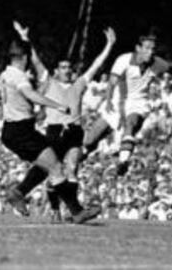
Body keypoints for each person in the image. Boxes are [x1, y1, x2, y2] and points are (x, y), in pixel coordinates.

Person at [0, 24, 100, 224]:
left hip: (15, 130)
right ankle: (77, 212)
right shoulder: (19, 76)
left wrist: (24, 38)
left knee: (49, 166)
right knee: (56, 168)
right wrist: (56, 105)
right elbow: (30, 94)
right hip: (21, 132)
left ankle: (18, 192)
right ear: (24, 58)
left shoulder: (6, 74)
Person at [82, 30, 172, 176]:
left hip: (138, 103)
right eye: (147, 48)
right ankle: (80, 157)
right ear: (138, 48)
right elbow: (112, 82)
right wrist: (109, 100)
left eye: (153, 49)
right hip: (116, 102)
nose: (150, 52)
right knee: (89, 141)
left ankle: (123, 162)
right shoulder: (124, 60)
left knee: (131, 123)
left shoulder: (157, 63)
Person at [29, 26, 117, 221]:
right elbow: (36, 61)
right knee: (55, 172)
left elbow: (95, 65)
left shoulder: (79, 84)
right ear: (56, 71)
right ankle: (54, 209)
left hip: (74, 131)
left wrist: (109, 45)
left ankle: (74, 210)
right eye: (63, 68)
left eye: (69, 68)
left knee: (72, 167)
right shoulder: (50, 83)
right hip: (54, 132)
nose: (68, 71)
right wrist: (26, 39)